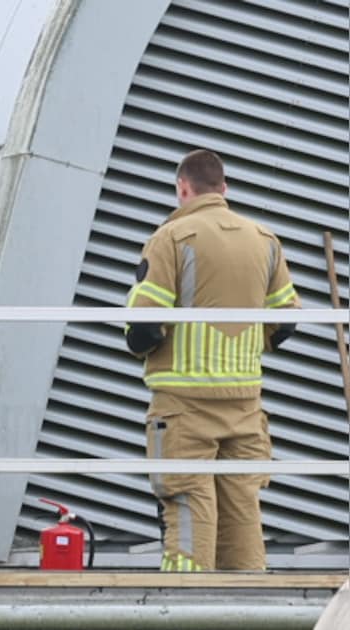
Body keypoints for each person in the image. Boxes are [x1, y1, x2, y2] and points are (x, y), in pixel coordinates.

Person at [126, 149, 299, 572]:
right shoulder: (265, 240)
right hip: (245, 404)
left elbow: (144, 328)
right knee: (242, 509)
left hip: (184, 404)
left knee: (188, 504)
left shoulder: (172, 238)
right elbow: (288, 320)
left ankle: (185, 607)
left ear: (183, 188)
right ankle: (250, 610)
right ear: (223, 189)